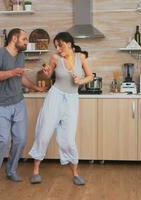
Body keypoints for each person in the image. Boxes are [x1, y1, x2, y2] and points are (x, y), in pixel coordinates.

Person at [0, 28, 45, 185]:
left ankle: (11, 170)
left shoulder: (20, 55)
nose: (27, 42)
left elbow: (21, 77)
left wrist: (36, 87)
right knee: (2, 140)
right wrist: (11, 72)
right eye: (25, 39)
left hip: (18, 102)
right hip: (0, 104)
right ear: (14, 38)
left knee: (20, 140)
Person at [28, 32, 93, 185]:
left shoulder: (81, 57)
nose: (57, 49)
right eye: (56, 46)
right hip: (55, 96)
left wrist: (81, 80)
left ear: (69, 43)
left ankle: (75, 174)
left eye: (60, 45)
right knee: (44, 132)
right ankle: (35, 171)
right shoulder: (55, 58)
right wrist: (46, 73)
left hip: (72, 99)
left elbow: (91, 76)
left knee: (69, 139)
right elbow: (48, 74)